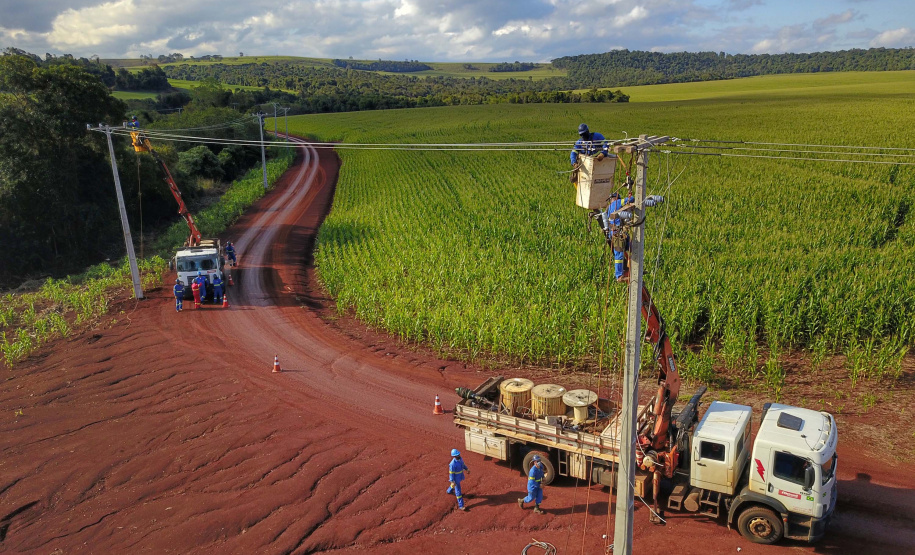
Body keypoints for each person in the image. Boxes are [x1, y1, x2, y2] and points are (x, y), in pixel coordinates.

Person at [604, 190, 633, 281]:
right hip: (617, 232)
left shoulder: (608, 208)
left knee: (630, 246)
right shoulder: (617, 202)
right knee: (619, 253)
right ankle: (619, 276)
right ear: (616, 198)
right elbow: (630, 199)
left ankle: (633, 269)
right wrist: (629, 196)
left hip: (616, 232)